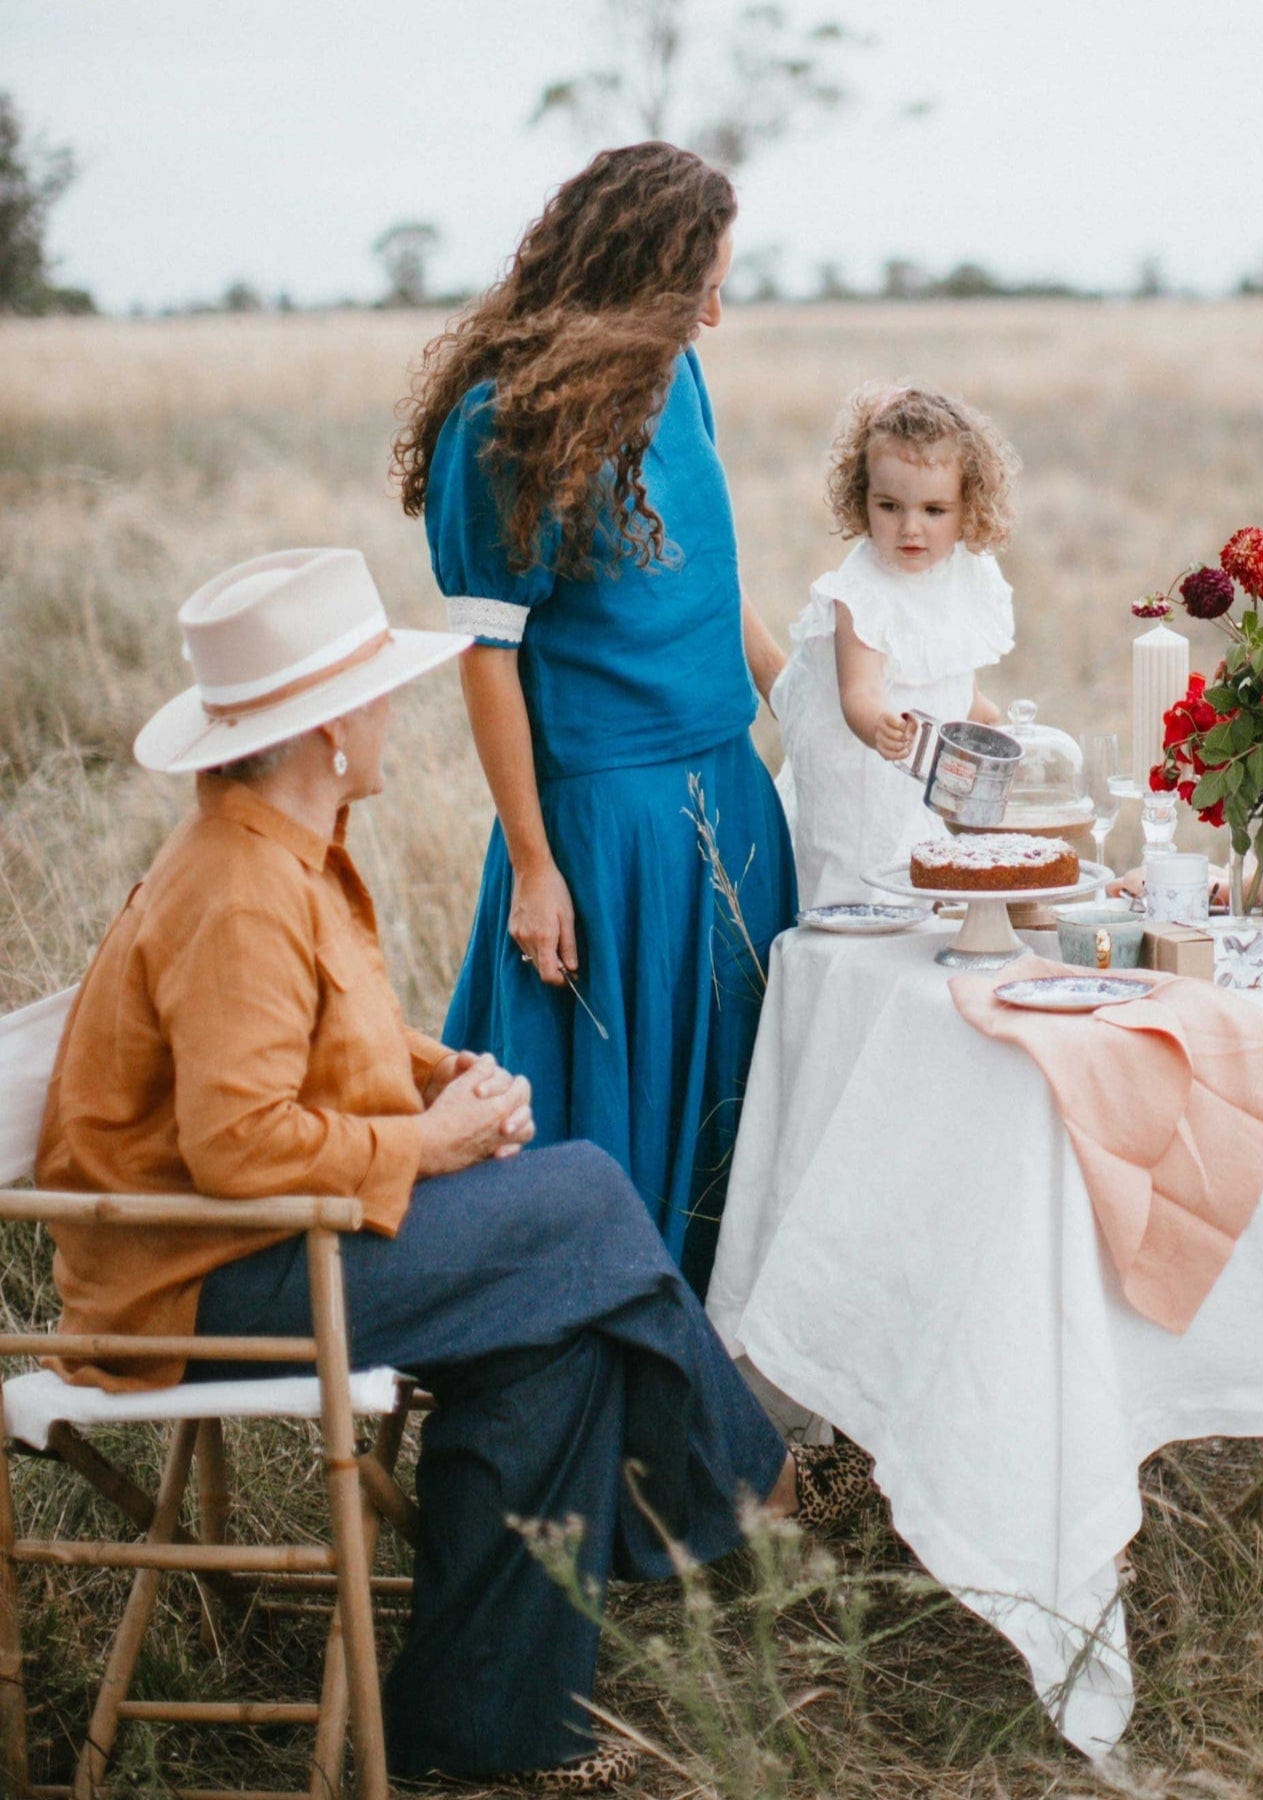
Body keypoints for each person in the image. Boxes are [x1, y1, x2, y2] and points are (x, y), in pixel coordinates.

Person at [36, 549, 865, 1794]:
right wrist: (435, 1142)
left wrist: (436, 1074)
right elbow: (239, 1146)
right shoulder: (243, 889)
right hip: (203, 1288)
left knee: (560, 1339)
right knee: (585, 1201)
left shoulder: (283, 847)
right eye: (371, 694)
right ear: (321, 732)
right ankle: (760, 1486)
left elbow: (319, 1045)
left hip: (270, 1248)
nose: (387, 713)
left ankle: (481, 1732)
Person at [394, 142, 794, 1296]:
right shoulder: (499, 422)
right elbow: (488, 656)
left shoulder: (683, 379)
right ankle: (588, 1402)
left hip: (731, 791)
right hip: (602, 831)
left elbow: (714, 579)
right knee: (602, 1130)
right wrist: (534, 864)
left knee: (735, 1123)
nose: (715, 311)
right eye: (700, 284)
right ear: (637, 273)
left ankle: (721, 1401)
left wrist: (799, 695)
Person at [773, 383, 1020, 909]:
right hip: (857, 780)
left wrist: (987, 716)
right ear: (861, 499)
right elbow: (857, 693)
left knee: (920, 884)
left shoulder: (961, 575)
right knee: (860, 887)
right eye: (889, 506)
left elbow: (950, 672)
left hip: (917, 779)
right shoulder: (861, 591)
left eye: (934, 510)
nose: (911, 528)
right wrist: (875, 722)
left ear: (967, 507)